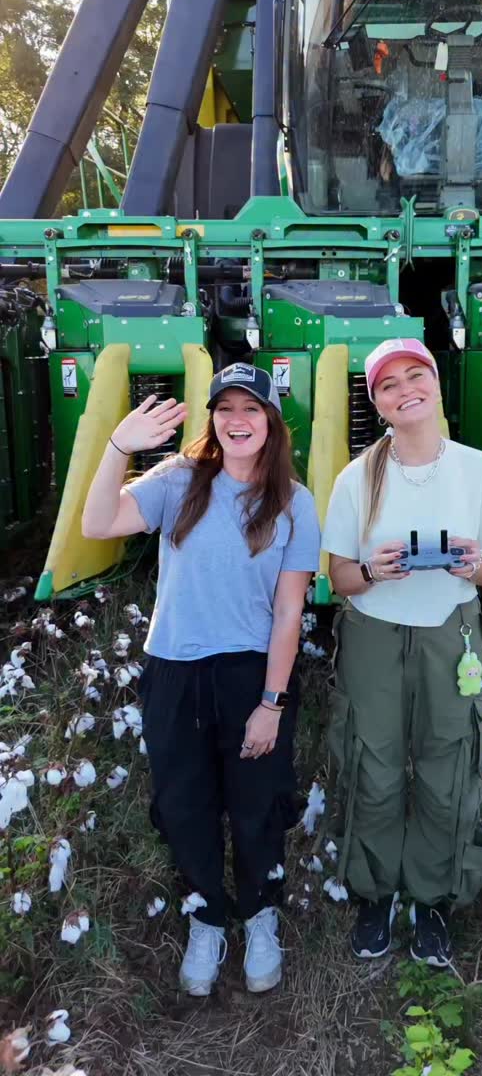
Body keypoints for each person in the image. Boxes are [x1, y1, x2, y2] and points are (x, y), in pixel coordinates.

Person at [82, 363, 320, 996]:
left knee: (256, 801)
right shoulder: (179, 480)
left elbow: (290, 609)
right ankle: (206, 915)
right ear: (212, 419)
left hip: (252, 674)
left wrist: (272, 700)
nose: (236, 420)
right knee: (185, 803)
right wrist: (117, 449)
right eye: (224, 409)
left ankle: (259, 911)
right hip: (176, 672)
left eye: (250, 409)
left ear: (271, 421)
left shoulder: (296, 502)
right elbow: (97, 524)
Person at [321, 337, 482, 966]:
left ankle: (434, 898)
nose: (406, 390)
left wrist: (470, 559)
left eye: (416, 376)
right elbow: (339, 579)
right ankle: (376, 893)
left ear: (436, 384)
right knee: (373, 768)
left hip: (449, 632)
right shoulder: (357, 477)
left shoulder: (478, 468)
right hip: (374, 636)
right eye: (389, 384)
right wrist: (374, 572)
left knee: (449, 764)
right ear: (377, 402)